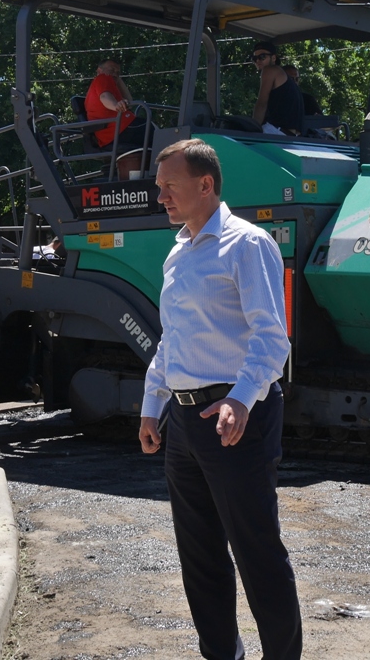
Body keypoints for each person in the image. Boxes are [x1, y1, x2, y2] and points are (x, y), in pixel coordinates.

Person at [139, 139, 302, 660]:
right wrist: (151, 403)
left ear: (205, 184)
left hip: (236, 419)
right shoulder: (179, 250)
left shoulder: (246, 245)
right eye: (159, 185)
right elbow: (173, 337)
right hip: (185, 423)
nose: (160, 195)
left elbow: (272, 339)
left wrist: (242, 398)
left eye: (170, 185)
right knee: (199, 554)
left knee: (256, 552)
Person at [84, 59, 153, 150]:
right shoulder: (102, 78)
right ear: (99, 70)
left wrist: (117, 78)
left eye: (118, 72)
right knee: (155, 131)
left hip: (118, 131)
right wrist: (116, 105)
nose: (115, 74)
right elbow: (105, 97)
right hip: (117, 130)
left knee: (154, 133)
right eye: (112, 70)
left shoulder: (109, 85)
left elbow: (130, 101)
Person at [251, 41, 304, 136]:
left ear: (274, 57)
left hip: (276, 131)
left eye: (262, 57)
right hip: (290, 135)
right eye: (254, 58)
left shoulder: (270, 70)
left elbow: (262, 104)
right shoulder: (286, 79)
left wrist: (252, 129)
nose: (258, 60)